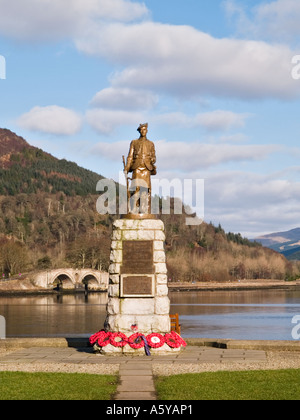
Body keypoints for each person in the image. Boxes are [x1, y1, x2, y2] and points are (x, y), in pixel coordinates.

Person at [124, 123, 156, 214]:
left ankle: (143, 208)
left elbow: (154, 156)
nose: (143, 131)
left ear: (147, 131)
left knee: (145, 189)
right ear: (139, 131)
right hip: (136, 167)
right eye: (141, 130)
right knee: (136, 188)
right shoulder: (134, 142)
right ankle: (133, 208)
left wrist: (152, 160)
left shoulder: (151, 143)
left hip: (146, 168)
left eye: (144, 129)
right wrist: (127, 167)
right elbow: (130, 156)